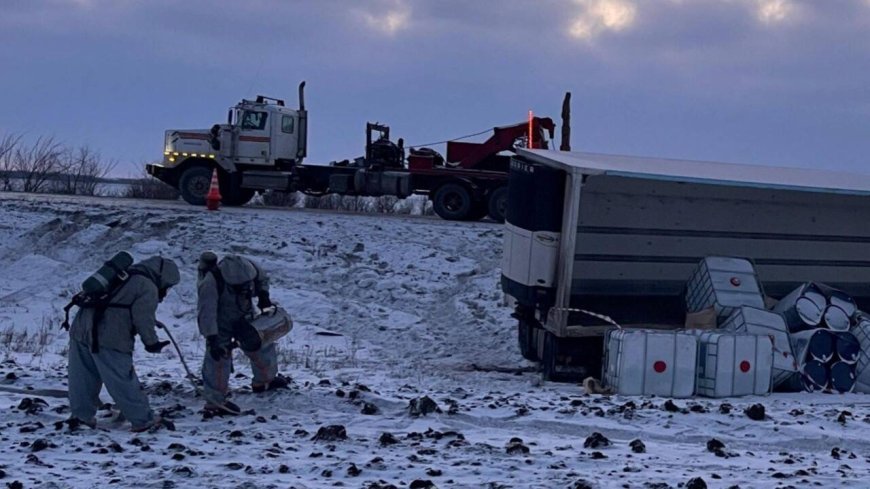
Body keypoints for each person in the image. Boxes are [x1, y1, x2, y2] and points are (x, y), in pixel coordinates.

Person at [67, 256, 180, 432]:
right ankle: (143, 420)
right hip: (110, 335)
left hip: (81, 329)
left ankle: (81, 418)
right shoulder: (147, 286)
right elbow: (143, 318)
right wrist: (151, 342)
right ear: (163, 278)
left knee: (82, 378)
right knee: (122, 379)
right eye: (168, 286)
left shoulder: (120, 275)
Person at [197, 252, 289, 414]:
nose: (245, 287)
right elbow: (206, 312)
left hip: (245, 315)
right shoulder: (211, 282)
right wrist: (211, 337)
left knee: (260, 344)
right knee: (218, 358)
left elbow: (262, 280)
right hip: (220, 322)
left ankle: (264, 381)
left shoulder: (251, 269)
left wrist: (263, 295)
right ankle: (215, 401)